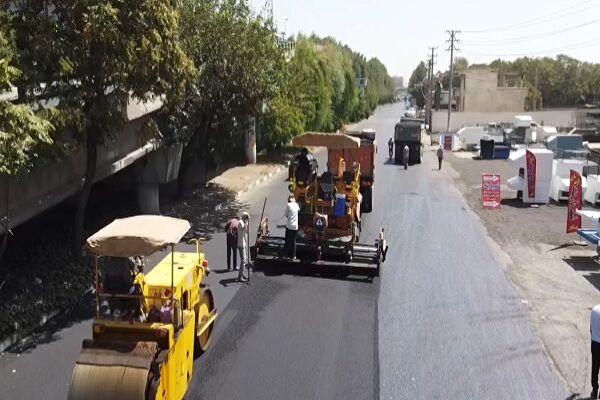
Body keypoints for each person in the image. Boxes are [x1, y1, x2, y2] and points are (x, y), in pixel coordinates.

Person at [284, 194, 300, 260]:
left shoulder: (288, 205)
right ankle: (293, 256)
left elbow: (286, 215)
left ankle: (287, 254)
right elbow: (298, 211)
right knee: (293, 241)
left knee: (287, 240)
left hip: (289, 226)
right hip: (295, 227)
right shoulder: (296, 205)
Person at [237, 212, 250, 282]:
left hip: (243, 244)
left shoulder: (245, 222)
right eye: (246, 218)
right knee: (243, 260)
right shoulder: (240, 222)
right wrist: (246, 223)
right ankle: (240, 277)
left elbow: (247, 231)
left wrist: (247, 223)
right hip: (241, 244)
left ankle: (242, 274)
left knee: (244, 260)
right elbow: (242, 227)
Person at [591, 304, 600, 398]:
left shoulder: (594, 309)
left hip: (595, 343)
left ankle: (595, 391)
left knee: (595, 368)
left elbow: (591, 328)